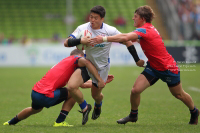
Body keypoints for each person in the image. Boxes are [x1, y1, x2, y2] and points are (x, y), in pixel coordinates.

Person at [90, 5, 199, 125]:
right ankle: (133, 115)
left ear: (142, 18)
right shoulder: (146, 29)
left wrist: (104, 39)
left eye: (135, 16)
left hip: (167, 68)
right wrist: (136, 58)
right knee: (135, 90)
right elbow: (125, 40)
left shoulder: (145, 30)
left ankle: (194, 111)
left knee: (179, 94)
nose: (133, 18)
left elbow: (126, 37)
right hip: (153, 66)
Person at [64, 5, 145, 125]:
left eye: (96, 18)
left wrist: (137, 59)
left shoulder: (110, 30)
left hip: (102, 68)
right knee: (71, 86)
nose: (92, 20)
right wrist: (80, 41)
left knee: (95, 95)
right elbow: (66, 42)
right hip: (87, 64)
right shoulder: (82, 28)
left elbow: (127, 41)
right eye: (91, 17)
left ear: (102, 19)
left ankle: (98, 105)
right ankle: (85, 108)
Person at [3, 49, 114, 127]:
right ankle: (62, 120)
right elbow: (85, 62)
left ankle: (10, 122)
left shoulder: (63, 63)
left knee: (34, 109)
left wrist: (99, 82)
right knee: (72, 93)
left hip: (35, 92)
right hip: (46, 95)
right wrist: (99, 78)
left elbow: (82, 85)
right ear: (79, 55)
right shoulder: (76, 58)